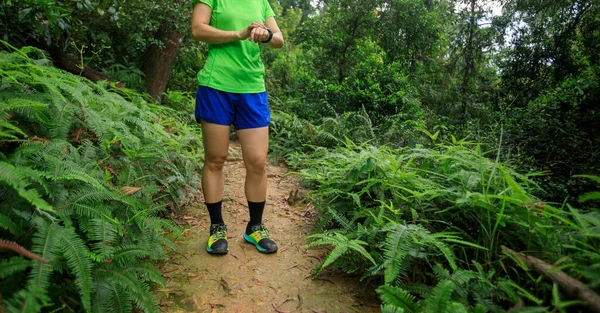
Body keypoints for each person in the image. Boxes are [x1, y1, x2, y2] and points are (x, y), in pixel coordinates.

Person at [191, 0, 284, 254]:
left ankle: (255, 227)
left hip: (252, 88)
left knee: (257, 161)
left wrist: (265, 35)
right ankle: (217, 228)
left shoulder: (261, 2)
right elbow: (198, 29)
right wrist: (238, 34)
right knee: (215, 159)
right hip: (216, 85)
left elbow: (279, 39)